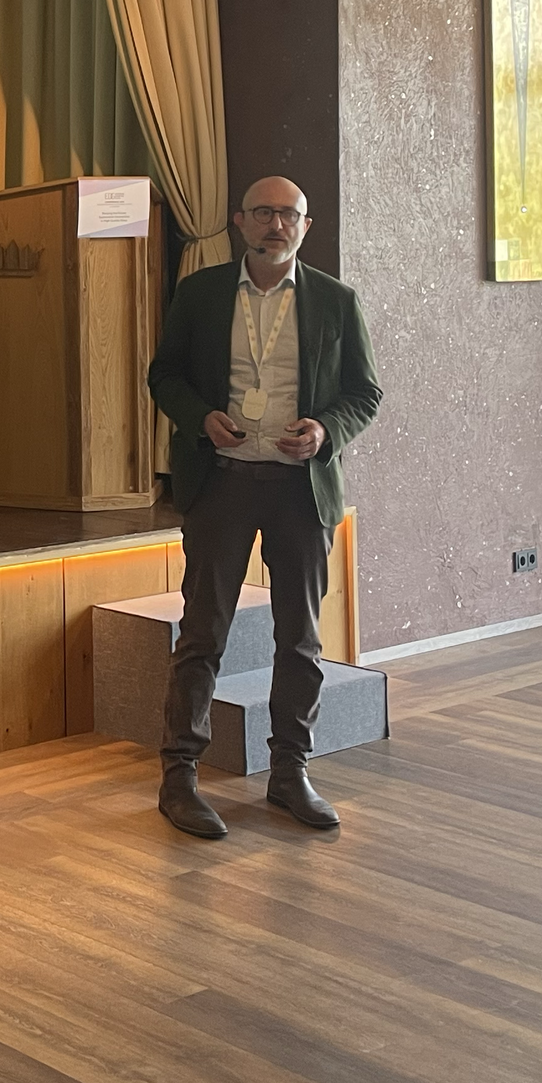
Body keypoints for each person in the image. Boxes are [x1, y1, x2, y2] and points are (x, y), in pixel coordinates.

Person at [147, 176, 382, 838]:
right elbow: (162, 374)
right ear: (239, 222)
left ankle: (290, 773)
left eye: (290, 214)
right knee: (203, 632)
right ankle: (179, 778)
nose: (276, 223)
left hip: (298, 489)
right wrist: (200, 417)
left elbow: (365, 391)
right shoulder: (200, 293)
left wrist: (325, 429)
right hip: (221, 481)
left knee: (299, 637)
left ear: (307, 226)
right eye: (264, 213)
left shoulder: (336, 301)